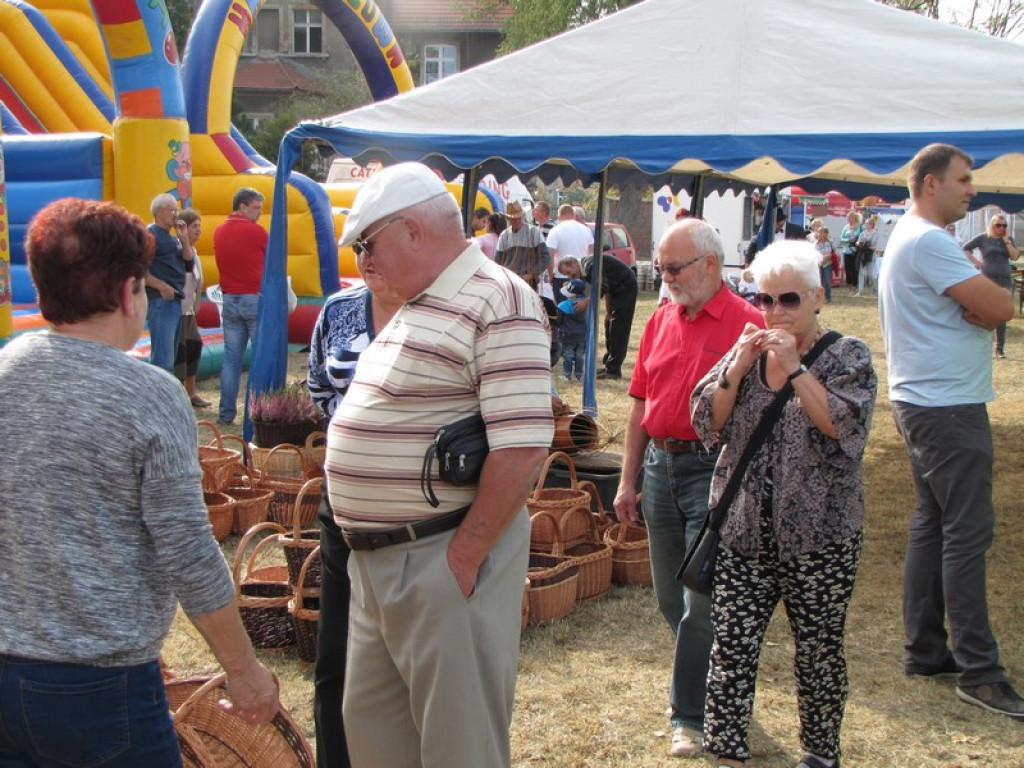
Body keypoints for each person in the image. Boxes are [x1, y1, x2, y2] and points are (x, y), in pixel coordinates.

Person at [0, 198, 280, 765]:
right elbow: (187, 552)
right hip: (105, 686)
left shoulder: (7, 372)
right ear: (132, 290)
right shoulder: (147, 395)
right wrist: (244, 669)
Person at [327, 162, 554, 767]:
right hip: (382, 563)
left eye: (365, 246)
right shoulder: (416, 301)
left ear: (412, 231)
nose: (361, 264)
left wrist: (463, 557)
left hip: (439, 557)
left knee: (459, 749)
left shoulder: (499, 297)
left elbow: (524, 444)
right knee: (378, 741)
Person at [692, 240, 877, 768]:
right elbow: (706, 420)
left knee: (819, 650)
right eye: (764, 298)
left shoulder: (849, 356)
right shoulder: (747, 351)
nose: (774, 311)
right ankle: (726, 751)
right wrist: (739, 363)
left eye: (788, 299)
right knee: (731, 645)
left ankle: (820, 753)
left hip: (820, 536)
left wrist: (797, 369)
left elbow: (843, 429)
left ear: (819, 297)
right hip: (744, 530)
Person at [879, 143, 1023, 720]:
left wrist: (985, 304)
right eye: (964, 180)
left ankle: (927, 649)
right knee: (966, 532)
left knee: (934, 525)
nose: (973, 191)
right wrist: (989, 300)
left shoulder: (909, 236)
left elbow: (990, 308)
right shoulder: (930, 241)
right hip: (946, 405)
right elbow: (1004, 307)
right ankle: (980, 673)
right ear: (931, 183)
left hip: (923, 399)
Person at [613, 219, 763, 758]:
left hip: (715, 469)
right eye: (661, 268)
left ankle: (690, 715)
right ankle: (713, 685)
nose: (665, 278)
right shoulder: (660, 320)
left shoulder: (750, 324)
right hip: (659, 466)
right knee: (669, 597)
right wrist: (627, 480)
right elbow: (638, 405)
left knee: (701, 600)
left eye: (674, 268)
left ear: (710, 266)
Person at [307, 251, 404, 768]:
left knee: (408, 657)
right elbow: (319, 387)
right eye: (361, 247)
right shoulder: (340, 308)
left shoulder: (437, 309)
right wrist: (356, 438)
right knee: (336, 652)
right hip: (343, 501)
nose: (370, 257)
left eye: (379, 244)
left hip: (420, 510)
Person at [213, 187, 268, 425]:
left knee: (231, 360)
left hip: (230, 299)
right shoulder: (257, 232)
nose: (259, 213)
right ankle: (257, 411)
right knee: (260, 357)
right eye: (256, 208)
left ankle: (226, 413)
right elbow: (272, 262)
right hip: (253, 298)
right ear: (243, 206)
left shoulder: (218, 231)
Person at [145, 192, 189, 374]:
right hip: (161, 301)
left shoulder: (173, 238)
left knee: (168, 357)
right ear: (160, 212)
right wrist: (160, 285)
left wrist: (184, 238)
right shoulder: (150, 235)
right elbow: (138, 270)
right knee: (163, 362)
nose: (176, 215)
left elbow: (188, 260)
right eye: (173, 210)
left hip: (174, 301)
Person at [964, 213, 1019, 358]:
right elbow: (966, 249)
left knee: (1001, 314)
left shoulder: (1007, 240)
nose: (1001, 228)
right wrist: (977, 263)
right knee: (983, 311)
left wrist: (1007, 241)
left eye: (1004, 225)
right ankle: (979, 345)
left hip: (1004, 278)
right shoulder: (983, 238)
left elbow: (1015, 256)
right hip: (988, 277)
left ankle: (999, 348)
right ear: (992, 225)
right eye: (998, 225)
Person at [580, 251, 639, 379]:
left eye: (569, 272)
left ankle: (614, 369)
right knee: (609, 325)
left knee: (619, 328)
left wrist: (586, 302)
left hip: (625, 288)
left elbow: (602, 287)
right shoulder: (589, 263)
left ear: (573, 264)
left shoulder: (589, 266)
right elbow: (608, 287)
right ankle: (609, 364)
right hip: (616, 290)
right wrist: (607, 311)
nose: (572, 277)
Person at [175, 208, 211, 407]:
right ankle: (180, 393)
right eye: (194, 226)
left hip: (188, 309)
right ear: (184, 228)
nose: (199, 230)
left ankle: (191, 392)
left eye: (199, 226)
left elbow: (196, 280)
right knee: (180, 349)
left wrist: (196, 300)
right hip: (179, 308)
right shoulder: (179, 249)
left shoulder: (194, 251)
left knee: (194, 346)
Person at [495, 200, 550, 292]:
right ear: (509, 219)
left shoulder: (533, 232)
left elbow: (545, 258)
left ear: (523, 216)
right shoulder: (504, 236)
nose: (517, 221)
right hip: (510, 281)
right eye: (513, 219)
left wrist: (531, 274)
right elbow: (497, 262)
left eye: (519, 218)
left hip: (529, 282)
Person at [556, 277, 587, 381]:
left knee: (567, 355)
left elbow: (558, 320)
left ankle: (567, 375)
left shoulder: (562, 306)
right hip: (582, 334)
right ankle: (578, 375)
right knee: (579, 355)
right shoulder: (585, 303)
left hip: (567, 334)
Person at [855, 215, 882, 296]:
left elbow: (875, 246)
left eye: (869, 223)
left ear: (872, 224)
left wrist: (868, 246)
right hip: (862, 255)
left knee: (871, 274)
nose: (867, 225)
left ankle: (875, 290)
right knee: (861, 273)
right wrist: (859, 244)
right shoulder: (862, 233)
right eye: (866, 223)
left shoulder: (876, 234)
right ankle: (860, 291)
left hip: (871, 255)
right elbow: (857, 242)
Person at [839, 211, 864, 294]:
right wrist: (848, 240)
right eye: (848, 218)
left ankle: (854, 285)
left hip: (856, 250)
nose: (849, 219)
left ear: (854, 218)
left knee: (854, 268)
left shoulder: (861, 227)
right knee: (847, 268)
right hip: (847, 250)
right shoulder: (846, 227)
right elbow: (841, 238)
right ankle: (850, 284)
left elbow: (864, 236)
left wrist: (857, 241)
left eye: (850, 217)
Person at [813, 225, 835, 302]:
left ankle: (828, 297)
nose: (818, 233)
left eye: (820, 232)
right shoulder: (815, 244)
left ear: (825, 234)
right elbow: (815, 254)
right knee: (819, 282)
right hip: (818, 264)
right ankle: (819, 298)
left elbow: (833, 254)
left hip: (828, 264)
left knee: (827, 282)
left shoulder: (830, 243)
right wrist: (823, 258)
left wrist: (826, 258)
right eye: (818, 232)